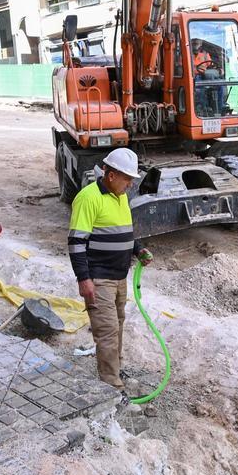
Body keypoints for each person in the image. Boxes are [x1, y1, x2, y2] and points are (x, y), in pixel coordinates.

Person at [67, 148, 153, 390]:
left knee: (117, 325)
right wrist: (84, 279)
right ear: (112, 175)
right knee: (107, 331)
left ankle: (115, 371)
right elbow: (76, 242)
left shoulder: (120, 195)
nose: (130, 184)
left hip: (119, 277)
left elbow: (123, 231)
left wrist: (138, 249)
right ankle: (111, 386)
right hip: (99, 278)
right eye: (127, 179)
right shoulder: (88, 198)